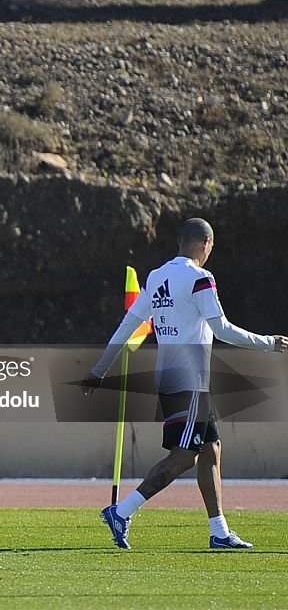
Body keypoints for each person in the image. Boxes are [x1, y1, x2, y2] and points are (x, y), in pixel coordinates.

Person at [85, 218, 288, 550]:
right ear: (205, 244)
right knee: (184, 457)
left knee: (211, 450)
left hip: (173, 378)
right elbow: (221, 330)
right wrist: (268, 342)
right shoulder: (200, 278)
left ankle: (219, 531)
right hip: (189, 380)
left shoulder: (157, 277)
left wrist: (100, 368)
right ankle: (121, 511)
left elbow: (127, 326)